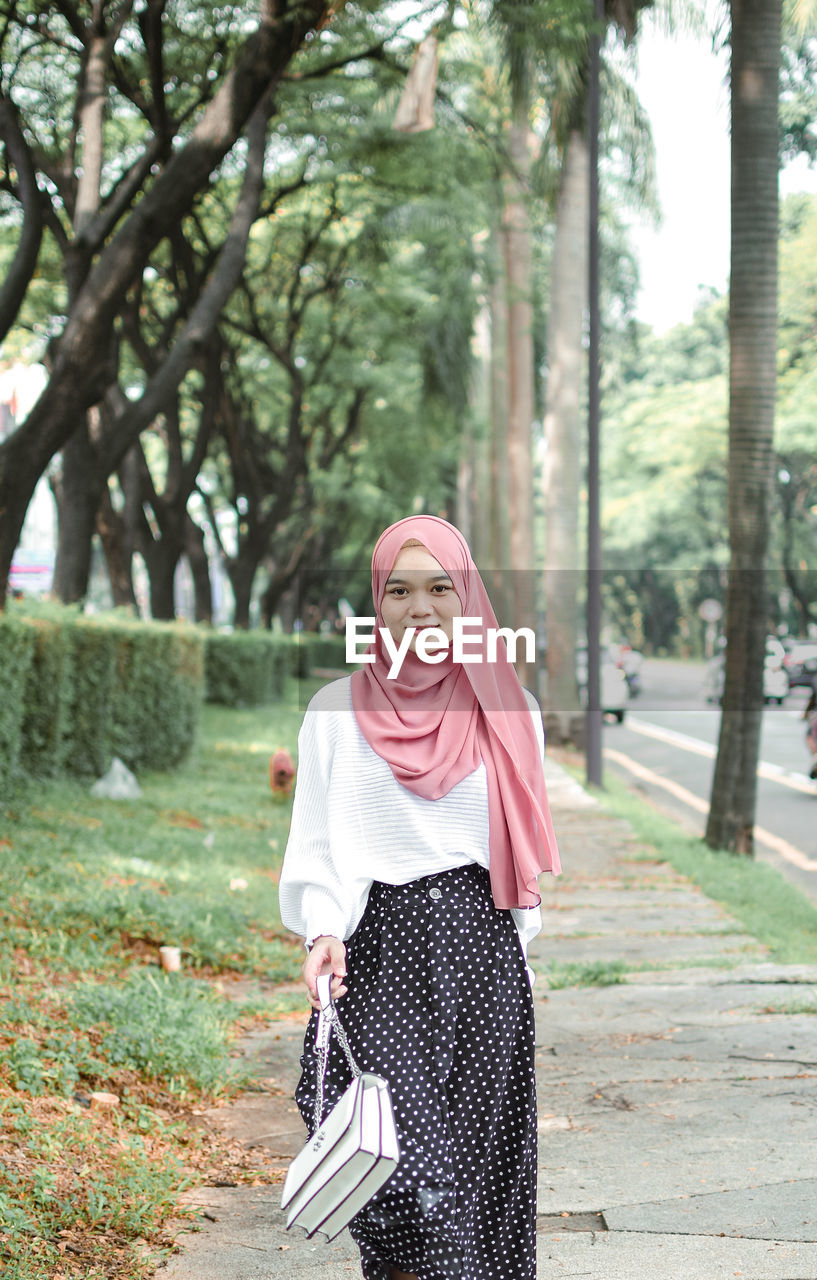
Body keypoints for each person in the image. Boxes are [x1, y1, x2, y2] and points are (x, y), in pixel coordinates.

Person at [279, 514, 561, 1280]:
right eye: (398, 590)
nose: (420, 607)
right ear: (378, 601)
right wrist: (321, 931)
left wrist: (518, 954)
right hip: (380, 956)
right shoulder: (335, 712)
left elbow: (518, 859)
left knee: (473, 1184)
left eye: (440, 586)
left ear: (466, 595)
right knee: (405, 1183)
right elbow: (318, 845)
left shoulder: (513, 712)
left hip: (482, 960)